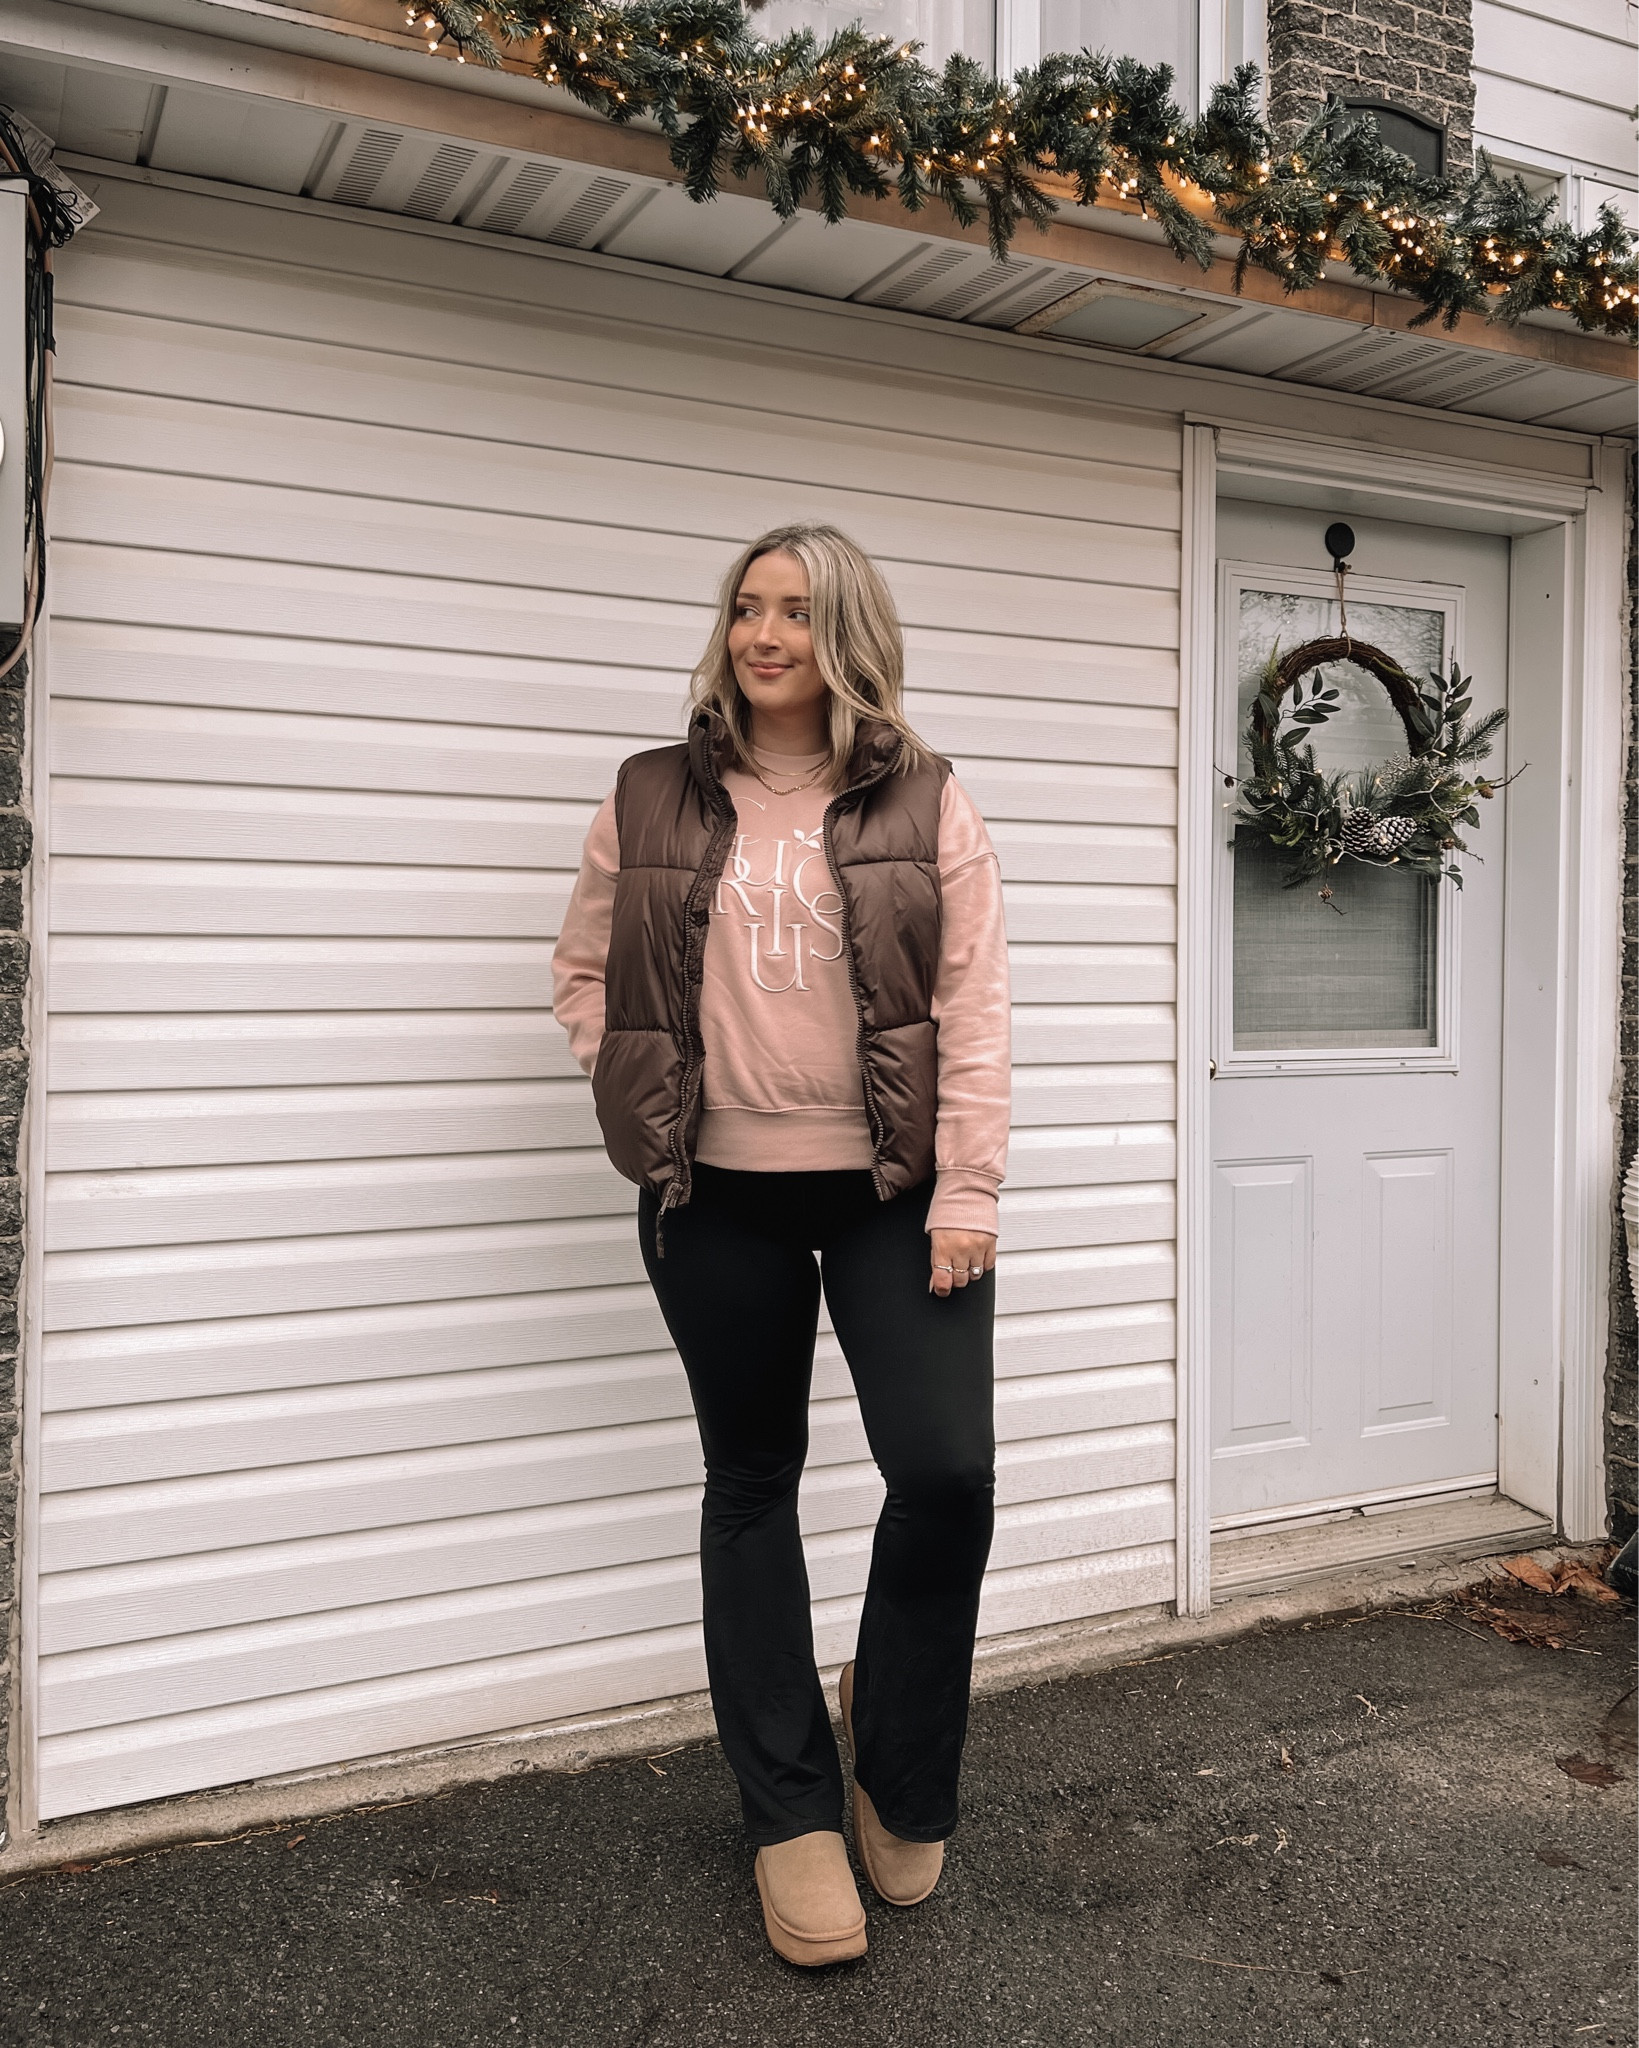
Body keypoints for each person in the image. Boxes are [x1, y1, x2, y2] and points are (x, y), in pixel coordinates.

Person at [551, 523, 1010, 1967]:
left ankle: (901, 1762)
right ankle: (791, 1814)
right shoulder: (651, 794)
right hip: (717, 1198)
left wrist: (969, 1190)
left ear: (847, 634)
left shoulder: (927, 801)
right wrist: (628, 1077)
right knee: (751, 1484)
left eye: (797, 614)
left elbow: (975, 1009)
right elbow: (581, 968)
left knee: (943, 1477)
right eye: (747, 608)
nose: (763, 635)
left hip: (890, 1192)